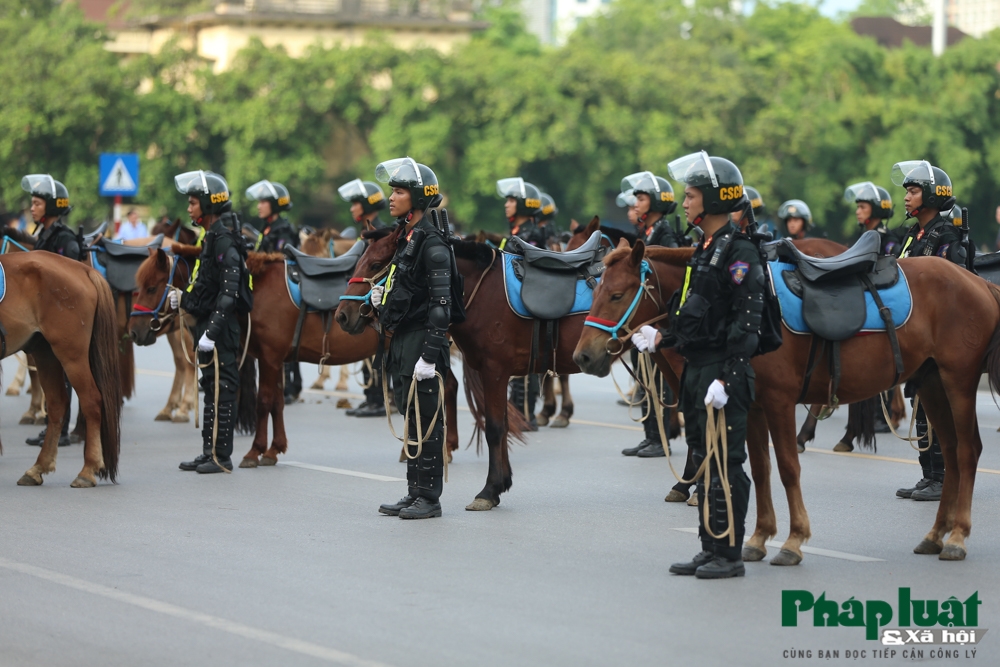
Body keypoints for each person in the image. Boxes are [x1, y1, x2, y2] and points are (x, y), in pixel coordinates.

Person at [633, 151, 761, 579]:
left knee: (726, 464)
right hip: (697, 367)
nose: (684, 203)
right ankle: (710, 546)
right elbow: (697, 315)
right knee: (704, 460)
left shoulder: (739, 251)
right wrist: (662, 338)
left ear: (713, 200)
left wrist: (728, 376)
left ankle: (730, 555)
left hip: (723, 371)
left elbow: (746, 323)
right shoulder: (706, 249)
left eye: (691, 196)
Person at [371, 157, 459, 519]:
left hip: (424, 342)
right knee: (412, 419)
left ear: (419, 198)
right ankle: (413, 492)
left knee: (429, 420)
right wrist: (381, 297)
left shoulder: (433, 244)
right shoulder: (410, 238)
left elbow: (442, 305)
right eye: (392, 190)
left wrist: (430, 355)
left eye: (400, 191)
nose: (391, 197)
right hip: (405, 340)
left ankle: (430, 498)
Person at [890, 160, 964, 502]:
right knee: (919, 401)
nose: (907, 197)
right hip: (915, 333)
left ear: (933, 196)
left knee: (934, 405)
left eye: (914, 191)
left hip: (940, 336)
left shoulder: (946, 236)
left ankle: (942, 477)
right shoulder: (912, 235)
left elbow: (956, 287)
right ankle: (929, 475)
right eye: (906, 191)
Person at [172, 170, 247, 474]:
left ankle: (222, 457)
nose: (189, 208)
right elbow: (206, 287)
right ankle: (208, 452)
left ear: (207, 204)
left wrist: (211, 333)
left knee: (224, 387)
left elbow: (229, 294)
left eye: (193, 202)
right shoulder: (210, 237)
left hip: (222, 329)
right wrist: (184, 299)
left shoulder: (224, 240)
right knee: (210, 386)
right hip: (209, 325)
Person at [5, 175, 81, 448]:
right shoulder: (44, 237)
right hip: (44, 316)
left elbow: (71, 282)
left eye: (37, 203)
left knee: (65, 372)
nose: (32, 208)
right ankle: (53, 425)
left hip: (61, 316)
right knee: (51, 372)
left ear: (51, 207)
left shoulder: (64, 240)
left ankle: (60, 429)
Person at [618, 171, 680, 459]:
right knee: (644, 377)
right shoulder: (647, 233)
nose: (636, 203)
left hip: (658, 318)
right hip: (642, 317)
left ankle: (661, 438)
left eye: (641, 198)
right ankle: (649, 436)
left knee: (659, 380)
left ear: (655, 202)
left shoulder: (665, 233)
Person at [338, 178, 391, 418]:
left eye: (355, 203)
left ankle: (379, 399)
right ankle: (371, 397)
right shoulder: (367, 231)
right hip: (364, 297)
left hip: (379, 298)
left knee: (378, 346)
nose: (351, 208)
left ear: (367, 205)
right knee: (368, 348)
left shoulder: (381, 232)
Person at [245, 179, 301, 403]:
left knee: (281, 339)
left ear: (275, 205)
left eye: (263, 201)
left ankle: (289, 386)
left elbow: (281, 261)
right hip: (268, 290)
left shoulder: (284, 229)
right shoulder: (266, 228)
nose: (259, 205)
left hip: (282, 290)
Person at [497, 177, 545, 428]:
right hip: (516, 300)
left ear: (525, 205)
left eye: (512, 200)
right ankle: (517, 410)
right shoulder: (517, 233)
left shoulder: (532, 235)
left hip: (529, 300)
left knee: (528, 359)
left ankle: (526, 413)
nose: (507, 204)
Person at [845, 181, 897, 255]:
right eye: (858, 207)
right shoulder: (864, 238)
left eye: (862, 207)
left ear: (876, 210)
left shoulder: (888, 241)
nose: (857, 212)